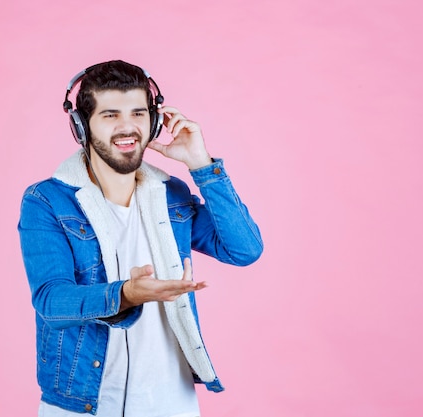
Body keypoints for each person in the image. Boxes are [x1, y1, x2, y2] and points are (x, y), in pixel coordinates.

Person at [18, 60, 263, 417]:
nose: (127, 127)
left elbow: (244, 250)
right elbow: (51, 301)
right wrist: (125, 295)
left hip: (170, 403)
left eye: (137, 112)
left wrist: (201, 165)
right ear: (81, 126)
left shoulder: (171, 194)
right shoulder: (47, 201)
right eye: (110, 115)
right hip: (82, 404)